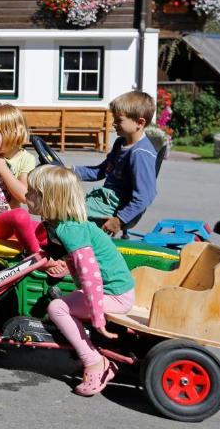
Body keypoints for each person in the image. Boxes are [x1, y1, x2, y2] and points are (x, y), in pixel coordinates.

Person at [26, 164, 135, 397]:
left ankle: (95, 361)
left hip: (113, 294)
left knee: (57, 308)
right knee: (61, 304)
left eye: (31, 192)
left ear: (49, 199)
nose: (25, 195)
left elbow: (90, 273)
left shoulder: (71, 230)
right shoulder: (60, 225)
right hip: (105, 291)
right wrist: (65, 268)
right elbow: (79, 266)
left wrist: (97, 318)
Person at [73, 91, 158, 237]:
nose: (114, 123)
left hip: (115, 206)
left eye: (119, 120)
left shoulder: (140, 154)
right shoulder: (121, 143)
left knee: (64, 211)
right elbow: (101, 171)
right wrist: (70, 171)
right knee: (63, 203)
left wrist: (119, 221)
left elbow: (145, 196)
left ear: (140, 123)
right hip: (105, 199)